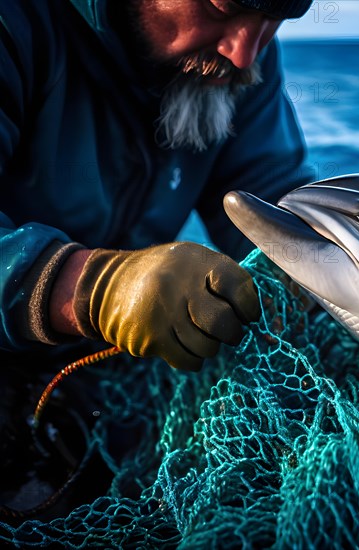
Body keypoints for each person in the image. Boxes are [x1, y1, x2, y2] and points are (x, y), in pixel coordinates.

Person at [0, 0, 316, 371]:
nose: (245, 54)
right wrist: (92, 290)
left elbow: (270, 198)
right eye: (221, 8)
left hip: (108, 370)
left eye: (273, 20)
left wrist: (318, 277)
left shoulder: (238, 60)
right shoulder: (16, 21)